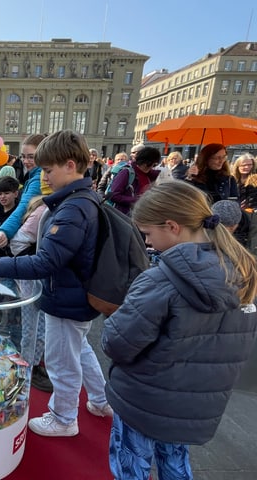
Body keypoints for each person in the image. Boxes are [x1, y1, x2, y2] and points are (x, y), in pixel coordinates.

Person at [101, 181, 257, 480]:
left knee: (131, 466)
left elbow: (117, 343)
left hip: (144, 400)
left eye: (147, 234)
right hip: (195, 403)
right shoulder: (243, 272)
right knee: (175, 463)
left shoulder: (160, 281)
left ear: (172, 226)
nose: (147, 242)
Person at [0, 130, 111, 437]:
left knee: (62, 362)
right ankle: (100, 399)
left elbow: (46, 261)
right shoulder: (80, 199)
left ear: (70, 165)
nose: (43, 177)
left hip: (65, 297)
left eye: (48, 170)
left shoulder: (73, 207)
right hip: (75, 295)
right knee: (79, 350)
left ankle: (63, 417)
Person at [0, 134, 49, 252]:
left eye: (31, 157)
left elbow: (24, 205)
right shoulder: (35, 175)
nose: (25, 161)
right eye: (23, 157)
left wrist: (5, 231)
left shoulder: (39, 178)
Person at [107, 146, 161, 215]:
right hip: (125, 215)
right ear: (144, 162)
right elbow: (113, 195)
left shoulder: (151, 175)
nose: (152, 167)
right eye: (151, 164)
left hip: (142, 215)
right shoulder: (126, 172)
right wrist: (138, 200)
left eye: (154, 165)